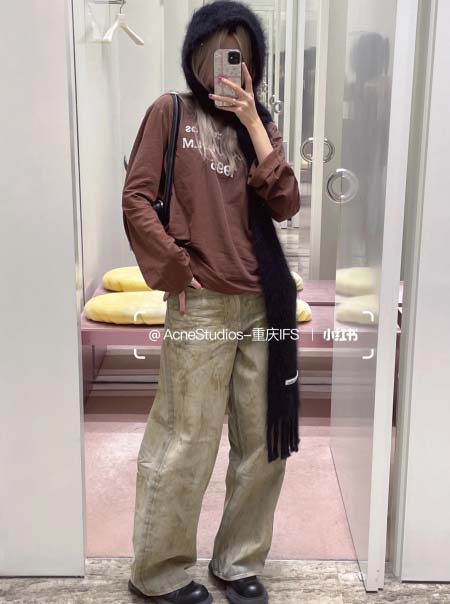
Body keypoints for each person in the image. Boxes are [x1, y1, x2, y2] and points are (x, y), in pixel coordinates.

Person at [122, 2, 301, 603]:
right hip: (201, 304)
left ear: (254, 63)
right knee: (187, 438)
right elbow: (137, 197)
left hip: (264, 303)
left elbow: (286, 203)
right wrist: (176, 269)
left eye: (242, 53)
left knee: (263, 444)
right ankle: (157, 571)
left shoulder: (260, 125)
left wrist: (252, 120)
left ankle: (238, 560)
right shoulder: (170, 112)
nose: (230, 62)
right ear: (196, 54)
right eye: (219, 50)